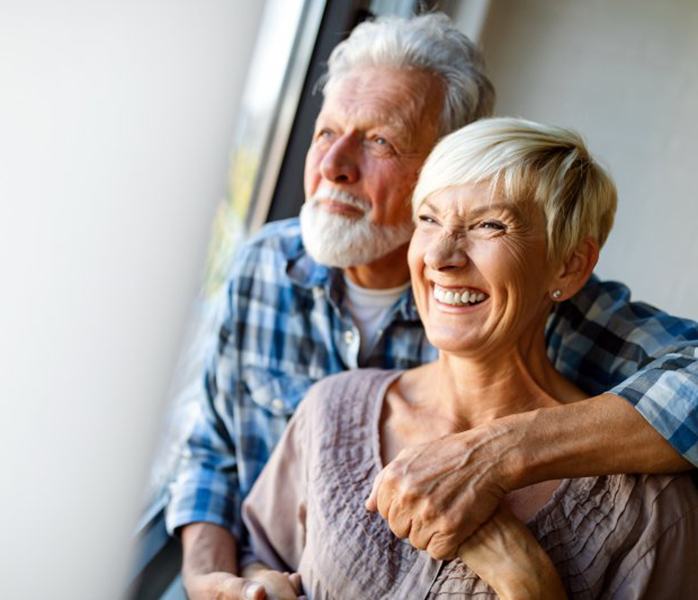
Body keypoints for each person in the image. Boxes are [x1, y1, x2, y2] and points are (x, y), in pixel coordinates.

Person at [165, 13, 698, 600]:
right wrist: (211, 578)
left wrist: (496, 456)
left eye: (378, 141)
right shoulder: (265, 267)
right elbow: (211, 451)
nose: (332, 166)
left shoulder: (562, 311)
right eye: (325, 133)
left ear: (453, 159)